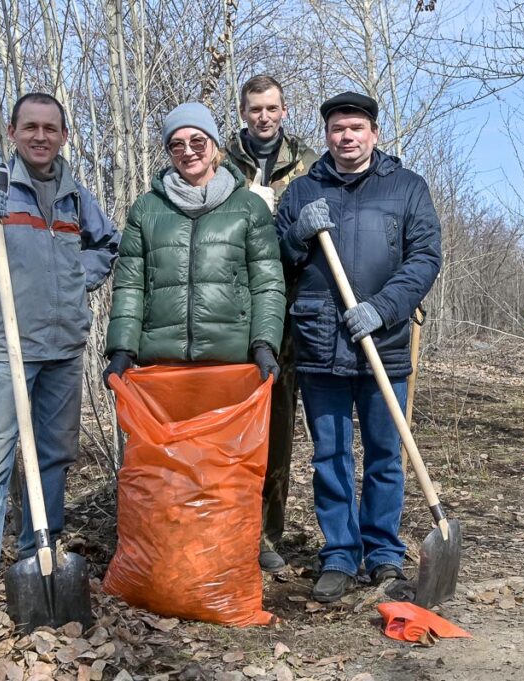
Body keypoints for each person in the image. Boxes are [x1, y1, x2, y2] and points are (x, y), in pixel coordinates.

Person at [0, 92, 120, 574]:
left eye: (50, 129)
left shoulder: (75, 194)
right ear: (12, 132)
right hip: (6, 345)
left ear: (63, 135)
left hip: (63, 346)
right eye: (31, 127)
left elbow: (108, 243)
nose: (41, 136)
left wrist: (79, 277)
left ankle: (38, 554)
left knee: (55, 455)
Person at [275, 92, 442, 603]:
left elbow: (425, 258)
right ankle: (341, 554)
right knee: (329, 456)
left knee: (385, 455)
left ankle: (384, 554)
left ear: (374, 133)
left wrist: (384, 307)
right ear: (326, 135)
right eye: (337, 129)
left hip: (383, 344)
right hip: (319, 343)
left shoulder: (407, 188)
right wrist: (298, 235)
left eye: (356, 128)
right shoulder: (302, 192)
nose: (346, 137)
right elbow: (274, 260)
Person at [104, 102, 285, 384]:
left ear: (213, 144)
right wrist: (122, 348)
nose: (188, 152)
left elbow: (267, 285)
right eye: (177, 145)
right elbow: (130, 286)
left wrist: (264, 344)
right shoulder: (146, 209)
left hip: (231, 363)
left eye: (197, 141)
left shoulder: (249, 207)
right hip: (163, 365)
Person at [224, 75, 318, 572]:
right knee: (232, 426)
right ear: (243, 111)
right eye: (255, 108)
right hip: (232, 308)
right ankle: (227, 529)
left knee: (278, 424)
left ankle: (266, 534)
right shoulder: (219, 161)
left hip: (290, 306)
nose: (264, 116)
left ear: (284, 110)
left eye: (272, 108)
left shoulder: (307, 165)